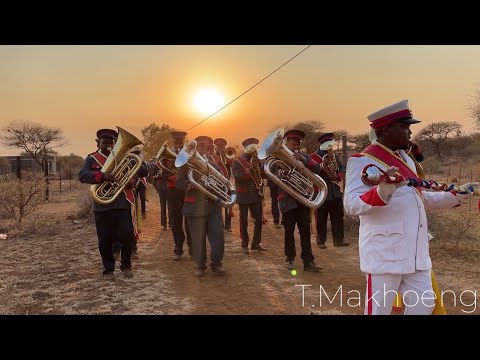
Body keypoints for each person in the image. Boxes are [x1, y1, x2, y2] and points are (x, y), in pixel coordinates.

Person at [344, 99, 472, 315]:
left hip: (416, 256)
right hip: (384, 256)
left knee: (424, 307)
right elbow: (351, 204)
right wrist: (382, 191)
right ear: (386, 129)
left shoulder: (407, 160)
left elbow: (419, 200)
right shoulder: (361, 161)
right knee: (378, 311)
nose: (410, 133)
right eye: (405, 127)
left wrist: (458, 194)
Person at [79, 128, 149, 280]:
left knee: (127, 236)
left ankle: (126, 265)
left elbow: (143, 172)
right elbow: (83, 175)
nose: (108, 146)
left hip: (122, 203)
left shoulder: (125, 157)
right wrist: (103, 176)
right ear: (99, 144)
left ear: (115, 143)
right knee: (104, 240)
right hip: (102, 205)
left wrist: (132, 176)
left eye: (111, 143)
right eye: (105, 143)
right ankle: (108, 270)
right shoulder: (92, 159)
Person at [176, 136, 226, 277]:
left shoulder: (214, 166)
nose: (204, 150)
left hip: (212, 207)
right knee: (198, 239)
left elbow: (224, 184)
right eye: (201, 147)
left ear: (210, 151)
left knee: (218, 238)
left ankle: (217, 264)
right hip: (193, 207)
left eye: (207, 148)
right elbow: (179, 182)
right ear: (195, 149)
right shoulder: (186, 165)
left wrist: (216, 189)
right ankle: (200, 265)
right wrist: (190, 184)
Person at [276, 130, 322, 272]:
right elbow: (265, 169)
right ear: (286, 142)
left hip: (302, 199)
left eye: (298, 143)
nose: (296, 145)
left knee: (305, 231)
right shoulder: (278, 156)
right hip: (287, 199)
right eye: (293, 143)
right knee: (289, 231)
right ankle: (290, 259)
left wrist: (305, 160)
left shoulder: (304, 156)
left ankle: (308, 261)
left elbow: (318, 169)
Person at [310, 133, 349, 248]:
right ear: (321, 144)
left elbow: (342, 168)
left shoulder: (333, 155)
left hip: (334, 190)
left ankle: (338, 240)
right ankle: (321, 241)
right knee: (321, 217)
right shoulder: (313, 157)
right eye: (327, 145)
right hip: (321, 191)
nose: (329, 148)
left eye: (330, 145)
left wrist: (338, 176)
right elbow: (311, 173)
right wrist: (323, 168)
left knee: (338, 216)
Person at [232, 138, 267, 254]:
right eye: (251, 148)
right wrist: (250, 170)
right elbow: (237, 177)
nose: (253, 150)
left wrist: (261, 167)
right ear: (245, 149)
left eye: (255, 147)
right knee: (244, 221)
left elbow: (263, 176)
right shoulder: (237, 161)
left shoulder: (257, 160)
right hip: (243, 194)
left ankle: (256, 243)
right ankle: (244, 244)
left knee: (258, 220)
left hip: (256, 194)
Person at [166, 131, 192, 260]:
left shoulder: (188, 154)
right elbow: (160, 172)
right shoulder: (166, 155)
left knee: (189, 219)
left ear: (183, 142)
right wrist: (172, 177)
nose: (178, 144)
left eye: (180, 142)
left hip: (186, 189)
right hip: (172, 191)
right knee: (176, 221)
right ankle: (178, 248)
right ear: (172, 142)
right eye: (176, 142)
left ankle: (192, 248)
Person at [211, 138, 233, 232]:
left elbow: (232, 164)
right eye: (218, 147)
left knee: (228, 205)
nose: (220, 148)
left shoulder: (227, 156)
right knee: (218, 204)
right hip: (216, 184)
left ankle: (228, 226)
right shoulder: (212, 157)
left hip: (227, 183)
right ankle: (220, 224)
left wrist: (225, 156)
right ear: (215, 147)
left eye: (222, 147)